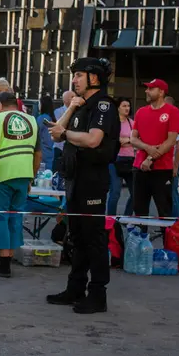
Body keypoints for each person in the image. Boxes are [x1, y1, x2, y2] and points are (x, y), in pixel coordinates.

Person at [46, 57, 119, 314]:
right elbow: (56, 131)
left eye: (78, 75)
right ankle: (75, 288)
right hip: (75, 180)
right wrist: (71, 109)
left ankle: (98, 294)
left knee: (94, 239)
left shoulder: (103, 106)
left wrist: (66, 134)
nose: (74, 80)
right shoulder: (83, 106)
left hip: (93, 182)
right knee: (75, 237)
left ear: (94, 78)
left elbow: (92, 140)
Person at [0, 92, 41, 278]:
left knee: (0, 217)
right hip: (24, 174)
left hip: (2, 175)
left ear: (0, 105)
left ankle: (3, 265)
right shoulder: (32, 121)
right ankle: (8, 259)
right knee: (15, 216)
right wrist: (31, 178)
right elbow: (38, 153)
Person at [131, 79, 179, 225]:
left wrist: (150, 158)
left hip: (162, 169)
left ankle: (168, 245)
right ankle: (140, 245)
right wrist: (148, 148)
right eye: (147, 88)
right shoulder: (141, 112)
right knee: (139, 211)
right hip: (139, 168)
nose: (146, 91)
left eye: (151, 88)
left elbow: (171, 141)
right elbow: (133, 139)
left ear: (161, 92)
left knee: (164, 211)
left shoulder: (172, 111)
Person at [106, 98, 135, 216]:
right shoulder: (113, 122)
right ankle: (111, 219)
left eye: (128, 106)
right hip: (115, 160)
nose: (127, 108)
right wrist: (129, 140)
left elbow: (136, 139)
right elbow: (114, 140)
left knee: (135, 193)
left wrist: (127, 140)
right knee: (115, 192)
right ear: (118, 108)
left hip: (130, 160)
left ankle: (126, 217)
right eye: (124, 106)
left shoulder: (132, 123)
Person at [164, 96, 179, 218]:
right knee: (162, 194)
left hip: (172, 161)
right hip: (160, 161)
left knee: (172, 193)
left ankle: (174, 222)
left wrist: (175, 166)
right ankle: (165, 221)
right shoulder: (162, 118)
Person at [52, 91, 75, 172]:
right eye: (72, 97)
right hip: (59, 147)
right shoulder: (58, 111)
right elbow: (60, 127)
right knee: (57, 172)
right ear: (65, 100)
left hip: (71, 147)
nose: (74, 98)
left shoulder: (77, 111)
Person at [36, 95, 55, 169]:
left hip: (42, 150)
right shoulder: (50, 117)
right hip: (50, 150)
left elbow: (36, 132)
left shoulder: (42, 118)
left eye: (39, 103)